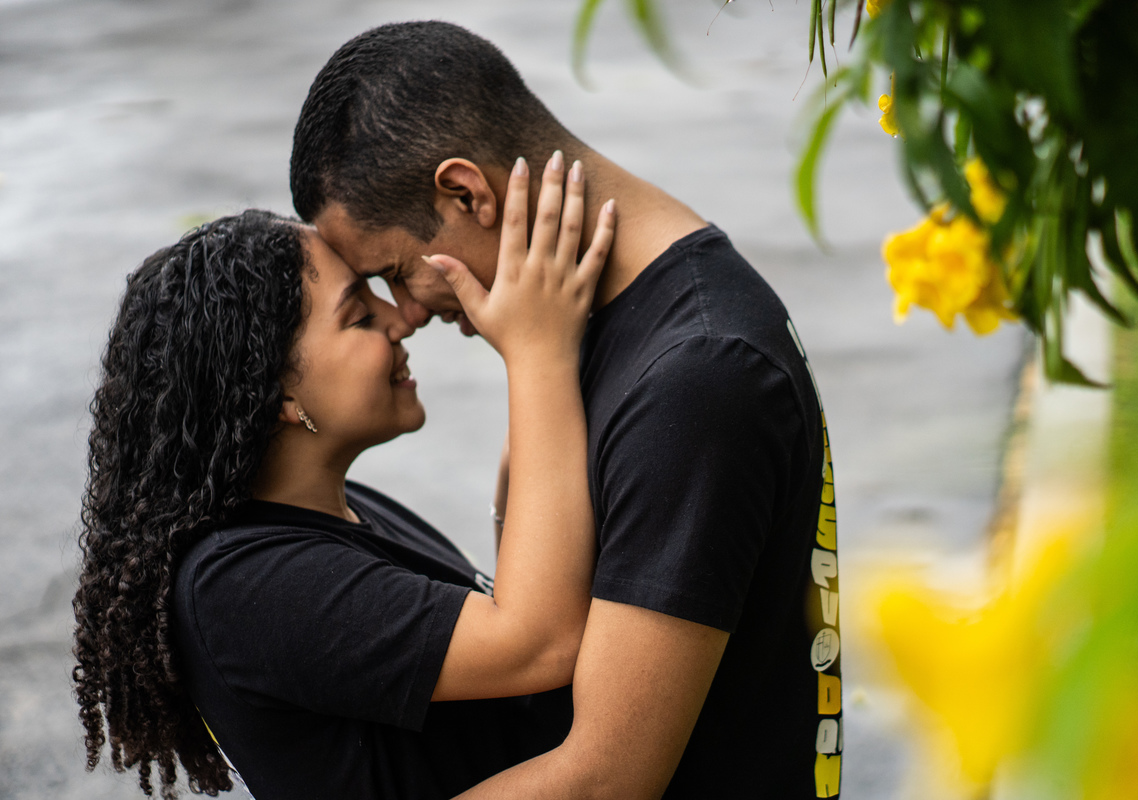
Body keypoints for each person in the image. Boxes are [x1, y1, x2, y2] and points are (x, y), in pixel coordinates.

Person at [290, 20, 844, 800]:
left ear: (466, 194)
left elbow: (604, 779)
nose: (405, 314)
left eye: (398, 272)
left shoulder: (698, 374)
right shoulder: (593, 332)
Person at [71, 157, 615, 799]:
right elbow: (537, 644)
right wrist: (539, 354)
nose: (402, 319)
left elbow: (503, 632)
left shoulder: (343, 504)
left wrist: (524, 471)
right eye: (358, 314)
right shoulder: (244, 588)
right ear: (277, 393)